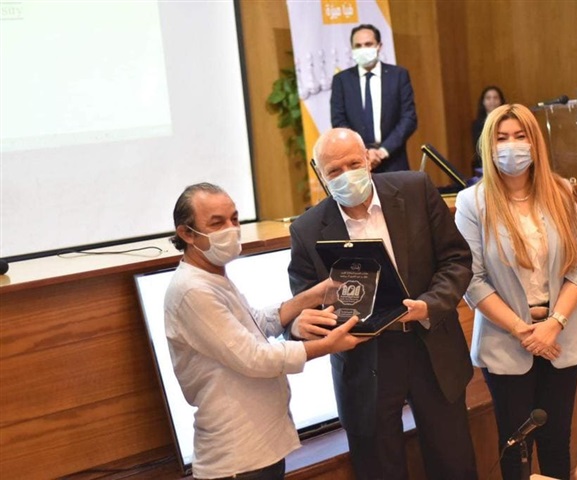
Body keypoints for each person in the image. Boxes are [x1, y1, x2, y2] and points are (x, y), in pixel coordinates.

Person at [287, 128, 477, 480]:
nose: (346, 175)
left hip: (430, 346)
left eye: (353, 164)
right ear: (321, 176)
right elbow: (302, 307)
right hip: (364, 360)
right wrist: (299, 325)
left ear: (368, 160)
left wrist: (429, 305)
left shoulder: (415, 189)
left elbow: (457, 259)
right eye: (334, 171)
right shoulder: (307, 229)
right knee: (379, 471)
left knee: (454, 465)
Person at [164, 182, 366, 480]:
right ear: (186, 233)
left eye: (234, 219)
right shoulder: (192, 291)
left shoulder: (213, 277)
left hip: (259, 451)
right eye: (217, 223)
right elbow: (254, 358)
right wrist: (327, 346)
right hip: (238, 460)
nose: (231, 230)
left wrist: (313, 295)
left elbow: (257, 323)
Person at [455, 103, 577, 480]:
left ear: (535, 143)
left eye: (520, 136)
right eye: (502, 138)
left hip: (561, 335)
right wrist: (524, 331)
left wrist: (554, 323)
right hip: (506, 338)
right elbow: (472, 280)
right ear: (489, 145)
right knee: (516, 447)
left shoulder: (561, 192)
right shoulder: (472, 202)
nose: (511, 145)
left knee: (556, 442)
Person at [330, 24, 417, 173]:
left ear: (379, 46)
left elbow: (408, 118)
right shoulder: (342, 80)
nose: (363, 49)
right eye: (358, 46)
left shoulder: (398, 75)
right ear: (352, 49)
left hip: (394, 160)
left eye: (368, 44)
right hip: (357, 164)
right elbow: (339, 121)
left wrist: (383, 151)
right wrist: (364, 152)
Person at [471, 86, 506, 169]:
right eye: (488, 98)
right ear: (483, 102)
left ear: (501, 101)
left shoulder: (508, 121)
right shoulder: (477, 124)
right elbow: (478, 147)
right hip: (484, 163)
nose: (492, 101)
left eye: (495, 98)